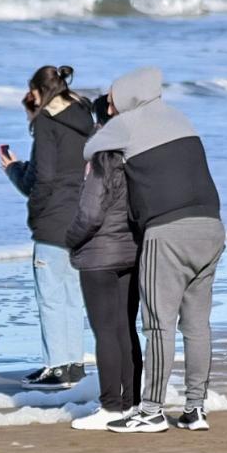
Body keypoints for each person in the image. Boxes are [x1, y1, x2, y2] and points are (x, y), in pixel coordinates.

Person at [81, 67, 225, 433]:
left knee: (158, 325)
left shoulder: (126, 123)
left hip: (168, 231)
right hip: (211, 225)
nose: (110, 109)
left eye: (111, 102)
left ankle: (151, 411)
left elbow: (89, 149)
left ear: (126, 99)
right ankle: (195, 409)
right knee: (196, 325)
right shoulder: (182, 119)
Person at [0, 65, 93, 390]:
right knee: (71, 294)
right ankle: (73, 365)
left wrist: (13, 170)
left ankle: (56, 367)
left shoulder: (46, 122)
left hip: (55, 218)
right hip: (84, 215)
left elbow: (43, 179)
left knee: (51, 295)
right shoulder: (84, 115)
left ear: (39, 91)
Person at [65, 94, 143, 429]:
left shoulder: (101, 158)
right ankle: (133, 402)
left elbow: (91, 213)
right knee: (126, 328)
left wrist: (70, 240)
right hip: (133, 250)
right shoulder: (138, 155)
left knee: (106, 332)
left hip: (99, 255)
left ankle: (111, 407)